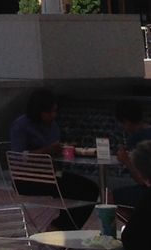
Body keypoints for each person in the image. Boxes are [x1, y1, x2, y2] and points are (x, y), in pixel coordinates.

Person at [6, 88, 100, 231]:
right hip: (27, 180)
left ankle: (63, 227)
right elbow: (18, 158)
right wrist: (47, 151)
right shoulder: (21, 126)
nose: (53, 115)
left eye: (55, 111)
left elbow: (54, 151)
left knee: (91, 189)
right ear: (38, 111)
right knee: (79, 190)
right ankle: (60, 228)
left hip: (51, 174)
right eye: (49, 112)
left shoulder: (53, 126)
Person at [109, 101, 151, 207]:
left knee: (109, 197)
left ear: (126, 122)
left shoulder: (137, 140)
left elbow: (143, 181)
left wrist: (126, 161)